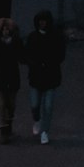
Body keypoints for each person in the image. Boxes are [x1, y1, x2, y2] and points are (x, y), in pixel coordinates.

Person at [24, 8, 65, 145]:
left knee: (48, 106)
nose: (42, 24)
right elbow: (27, 55)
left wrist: (49, 63)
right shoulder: (32, 37)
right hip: (36, 77)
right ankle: (36, 119)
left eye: (45, 21)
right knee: (35, 105)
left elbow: (61, 54)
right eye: (40, 21)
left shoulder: (56, 37)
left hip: (50, 77)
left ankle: (45, 132)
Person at [0, 17, 26, 142]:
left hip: (12, 74)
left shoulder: (16, 42)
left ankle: (9, 124)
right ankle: (4, 131)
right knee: (3, 102)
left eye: (7, 29)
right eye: (3, 29)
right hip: (0, 75)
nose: (5, 31)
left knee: (12, 103)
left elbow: (22, 57)